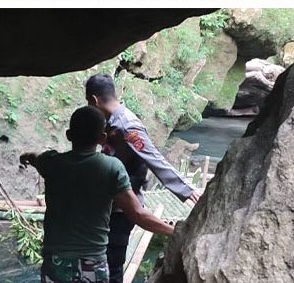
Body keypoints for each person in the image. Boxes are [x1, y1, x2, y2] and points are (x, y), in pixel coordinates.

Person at [20, 106, 174, 283]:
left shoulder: (52, 163)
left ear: (68, 135)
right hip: (92, 263)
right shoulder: (111, 168)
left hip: (56, 261)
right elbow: (137, 214)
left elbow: (36, 157)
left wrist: (27, 156)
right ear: (102, 138)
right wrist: (173, 230)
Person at [85, 74, 200, 283]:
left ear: (94, 100)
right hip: (110, 205)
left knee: (112, 266)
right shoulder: (111, 123)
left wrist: (187, 190)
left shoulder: (127, 126)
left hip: (124, 208)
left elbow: (154, 159)